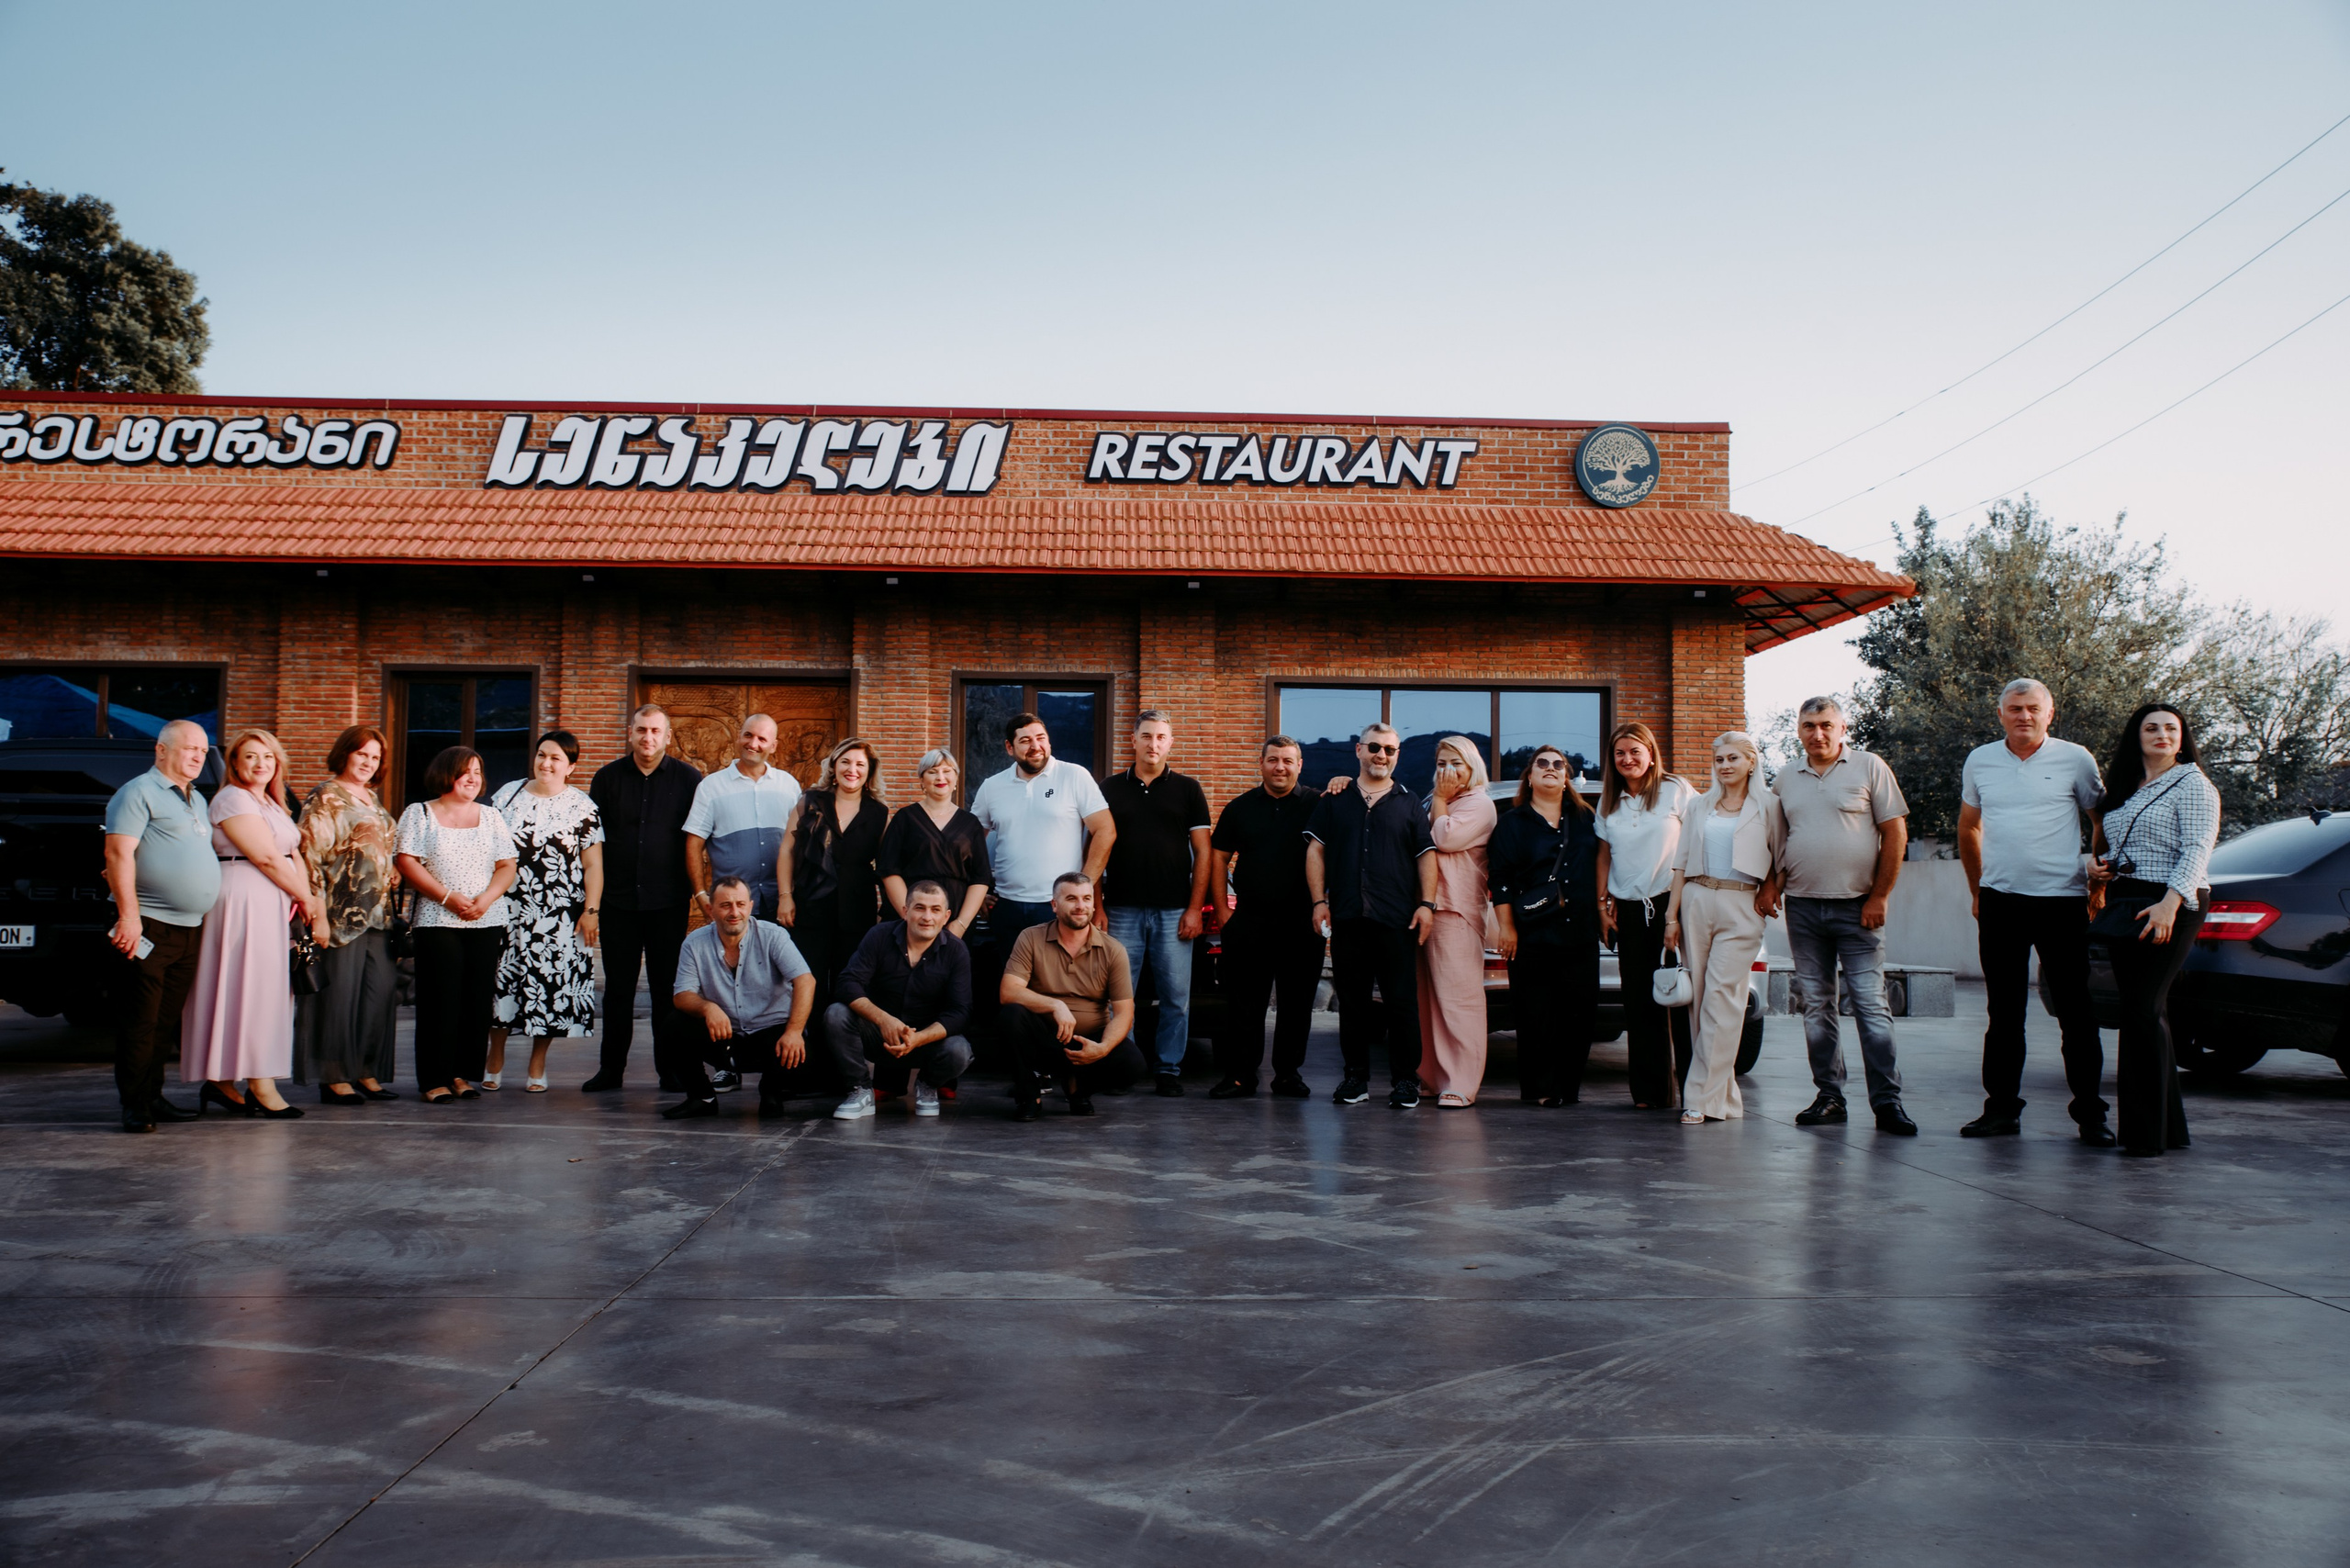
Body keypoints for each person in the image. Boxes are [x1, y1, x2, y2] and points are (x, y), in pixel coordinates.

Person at [1956, 679, 2109, 1141]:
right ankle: (2001, 1110)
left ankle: (2091, 1116)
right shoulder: (1980, 759)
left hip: (2063, 901)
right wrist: (1978, 889)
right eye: (2015, 709)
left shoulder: (2076, 759)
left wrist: (2096, 884)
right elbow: (1968, 827)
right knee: (2004, 1012)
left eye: (2033, 709)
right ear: (2000, 713)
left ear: (2050, 713)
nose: (2024, 716)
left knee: (2076, 1012)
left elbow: (2100, 818)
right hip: (2002, 902)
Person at [1772, 697, 1915, 1136]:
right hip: (1802, 907)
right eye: (1809, 725)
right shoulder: (1784, 778)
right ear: (1798, 729)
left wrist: (1880, 896)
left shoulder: (1870, 767)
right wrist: (1771, 887)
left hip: (1859, 908)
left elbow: (1895, 832)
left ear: (1843, 728)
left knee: (1871, 1006)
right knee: (1817, 1007)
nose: (1818, 734)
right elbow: (1778, 840)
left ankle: (1888, 1103)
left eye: (1827, 725)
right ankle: (1830, 1097)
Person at [2089, 702, 2221, 1159]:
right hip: (2128, 899)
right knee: (2145, 1012)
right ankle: (2168, 1129)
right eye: (2152, 728)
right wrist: (2100, 868)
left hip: (2172, 900)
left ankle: (2145, 1136)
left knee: (2142, 1010)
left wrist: (2171, 902)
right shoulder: (2129, 787)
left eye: (2171, 728)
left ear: (2182, 738)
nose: (2162, 734)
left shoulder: (2194, 784)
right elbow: (2119, 840)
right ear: (2137, 736)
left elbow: (2198, 848)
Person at [178, 729, 319, 1121]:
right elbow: (266, 858)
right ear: (235, 763)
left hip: (274, 900)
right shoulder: (233, 799)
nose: (260, 764)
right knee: (248, 989)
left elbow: (292, 854)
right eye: (251, 756)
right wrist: (307, 899)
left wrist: (306, 899)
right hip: (243, 899)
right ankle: (260, 1084)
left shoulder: (273, 802)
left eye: (268, 757)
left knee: (264, 991)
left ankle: (225, 1083)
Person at [1304, 722, 1438, 1108]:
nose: (1382, 755)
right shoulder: (1335, 798)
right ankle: (1355, 1079)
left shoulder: (1410, 803)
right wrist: (1319, 901)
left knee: (1401, 1004)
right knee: (1354, 1003)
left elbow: (1426, 856)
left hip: (1397, 920)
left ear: (1397, 756)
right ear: (1359, 751)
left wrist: (1426, 905)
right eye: (1375, 748)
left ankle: (1405, 1081)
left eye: (1390, 750)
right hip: (1348, 918)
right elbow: (1315, 851)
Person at [103, 721, 222, 1133]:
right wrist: (129, 917)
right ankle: (134, 1105)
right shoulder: (137, 793)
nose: (196, 756)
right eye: (188, 748)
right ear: (161, 750)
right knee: (141, 1021)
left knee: (166, 1021)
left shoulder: (196, 798)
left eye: (203, 751)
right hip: (149, 925)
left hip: (189, 928)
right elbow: (119, 855)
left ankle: (154, 1096)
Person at [1663, 733, 1785, 1125]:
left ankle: (1697, 1097)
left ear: (1751, 762)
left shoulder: (1770, 805)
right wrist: (1671, 917)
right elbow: (1680, 864)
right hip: (1697, 899)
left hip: (1742, 903)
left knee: (1722, 999)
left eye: (1734, 758)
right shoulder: (1699, 806)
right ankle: (1722, 1099)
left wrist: (1771, 892)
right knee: (1699, 1001)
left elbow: (1782, 860)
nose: (1725, 765)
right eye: (1719, 759)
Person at [584, 704, 702, 1092]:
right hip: (618, 902)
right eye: (641, 730)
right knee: (618, 990)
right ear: (630, 733)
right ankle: (611, 1071)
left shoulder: (689, 780)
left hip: (668, 901)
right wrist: (593, 904)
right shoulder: (606, 779)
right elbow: (594, 845)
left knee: (667, 991)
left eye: (655, 731)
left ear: (667, 736)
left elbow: (696, 839)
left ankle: (669, 1071)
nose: (648, 738)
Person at [395, 745, 519, 1103]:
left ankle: (461, 1075)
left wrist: (486, 899)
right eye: (465, 771)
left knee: (475, 1001)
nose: (473, 778)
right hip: (437, 920)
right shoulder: (419, 813)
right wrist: (447, 897)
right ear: (446, 774)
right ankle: (434, 1079)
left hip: (485, 919)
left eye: (478, 772)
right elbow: (407, 861)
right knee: (439, 999)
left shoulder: (492, 816)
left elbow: (507, 865)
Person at [1100, 710, 1213, 1095]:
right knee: (1120, 996)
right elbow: (1094, 848)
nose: (1153, 744)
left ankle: (1168, 1070)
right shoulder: (1110, 788)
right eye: (1146, 736)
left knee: (1175, 998)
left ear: (1170, 742)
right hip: (1120, 909)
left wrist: (1195, 908)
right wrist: (1098, 905)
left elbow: (1204, 854)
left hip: (1173, 911)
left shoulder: (1188, 789)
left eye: (1161, 737)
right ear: (1133, 740)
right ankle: (1122, 1066)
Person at [486, 731, 605, 1092]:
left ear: (571, 767)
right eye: (541, 755)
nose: (546, 763)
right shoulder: (507, 796)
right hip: (506, 907)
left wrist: (592, 910)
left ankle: (538, 1063)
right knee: (500, 982)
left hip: (559, 914)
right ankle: (495, 1055)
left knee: (550, 987)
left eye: (556, 758)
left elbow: (593, 866)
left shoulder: (582, 807)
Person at [1205, 735, 1323, 1099]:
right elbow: (1218, 857)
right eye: (1273, 760)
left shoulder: (1318, 804)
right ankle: (1241, 1076)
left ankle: (1288, 1075)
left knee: (1297, 1004)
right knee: (1244, 1003)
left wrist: (1345, 782)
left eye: (1288, 761)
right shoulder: (1240, 808)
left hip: (1302, 922)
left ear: (1299, 765)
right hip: (1249, 921)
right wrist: (1224, 912)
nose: (1280, 767)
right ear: (1261, 763)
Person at [294, 724, 402, 1104]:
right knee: (338, 997)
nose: (368, 763)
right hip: (339, 915)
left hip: (378, 915)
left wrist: (390, 868)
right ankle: (335, 1076)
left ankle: (366, 1070)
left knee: (379, 994)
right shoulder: (326, 797)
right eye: (362, 754)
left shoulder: (372, 799)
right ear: (345, 754)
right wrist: (316, 913)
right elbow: (310, 856)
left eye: (375, 758)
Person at [1491, 745, 1602, 1107]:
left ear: (1566, 775)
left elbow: (1607, 864)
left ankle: (1567, 1090)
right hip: (1532, 934)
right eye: (1543, 764)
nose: (1551, 769)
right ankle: (1539, 1089)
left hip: (1580, 933)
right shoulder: (1512, 822)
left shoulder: (1586, 818)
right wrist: (1506, 928)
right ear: (1531, 775)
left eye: (1559, 764)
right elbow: (1501, 879)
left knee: (1579, 1015)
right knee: (1535, 1015)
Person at [1595, 722, 1695, 1110]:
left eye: (1635, 751)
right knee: (1639, 1002)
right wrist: (1601, 906)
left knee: (1682, 999)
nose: (1627, 759)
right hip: (1630, 912)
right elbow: (1603, 855)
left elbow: (1695, 841)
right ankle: (1650, 1093)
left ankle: (1694, 1091)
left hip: (1675, 906)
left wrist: (1683, 908)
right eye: (1620, 753)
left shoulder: (1676, 790)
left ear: (1651, 754)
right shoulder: (1609, 802)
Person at [665, 876, 823, 1119]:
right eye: (725, 905)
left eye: (740, 904)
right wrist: (708, 1008)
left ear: (750, 906)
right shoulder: (694, 943)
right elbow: (682, 994)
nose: (734, 912)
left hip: (771, 1032)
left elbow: (805, 980)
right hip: (725, 1033)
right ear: (710, 909)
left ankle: (772, 1092)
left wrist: (794, 1031)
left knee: (805, 1057)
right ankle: (702, 1097)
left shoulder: (773, 935)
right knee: (674, 1025)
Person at [823, 879, 974, 1120]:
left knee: (959, 1051)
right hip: (880, 1036)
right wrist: (884, 1020)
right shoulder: (880, 935)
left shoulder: (956, 951)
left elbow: (960, 1012)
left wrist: (919, 1038)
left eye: (935, 910)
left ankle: (927, 1085)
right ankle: (861, 1090)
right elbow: (847, 983)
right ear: (905, 911)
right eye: (919, 908)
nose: (927, 917)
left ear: (946, 917)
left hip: (926, 1043)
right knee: (836, 1014)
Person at [998, 872, 1143, 1119]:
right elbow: (1008, 992)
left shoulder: (1113, 950)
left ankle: (1079, 1089)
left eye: (1087, 898)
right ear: (1054, 905)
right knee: (1011, 1015)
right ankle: (1029, 1094)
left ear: (1094, 904)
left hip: (1088, 1040)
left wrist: (1103, 1048)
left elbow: (1124, 1013)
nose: (1080, 906)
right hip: (1043, 1038)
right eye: (1071, 899)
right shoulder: (1031, 937)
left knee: (1133, 1065)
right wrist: (1055, 1004)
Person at [968, 711, 1113, 936]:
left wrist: (1083, 890)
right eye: (1025, 741)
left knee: (1060, 972)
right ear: (1010, 747)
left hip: (1059, 906)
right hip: (1006, 906)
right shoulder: (992, 787)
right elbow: (972, 841)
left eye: (1040, 738)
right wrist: (978, 891)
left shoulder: (1074, 776)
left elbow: (1105, 830)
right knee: (1011, 972)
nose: (1035, 746)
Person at [778, 736, 889, 1026]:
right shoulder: (809, 801)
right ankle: (807, 1056)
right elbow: (787, 850)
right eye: (846, 762)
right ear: (834, 766)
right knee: (807, 980)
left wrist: (886, 911)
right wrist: (785, 896)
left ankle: (840, 1059)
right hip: (809, 906)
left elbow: (886, 866)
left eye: (860, 765)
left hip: (857, 910)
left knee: (848, 983)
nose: (852, 769)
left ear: (869, 772)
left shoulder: (879, 813)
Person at [1416, 736, 1497, 1107]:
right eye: (1442, 763)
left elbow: (1443, 838)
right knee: (1428, 1001)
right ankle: (1432, 1077)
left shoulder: (1479, 804)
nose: (1447, 771)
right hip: (1427, 909)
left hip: (1457, 910)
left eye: (1456, 764)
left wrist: (1441, 799)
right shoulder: (1441, 802)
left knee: (1458, 1000)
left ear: (1472, 767)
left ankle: (1462, 1083)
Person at [684, 712, 803, 922]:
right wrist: (701, 895)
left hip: (780, 903)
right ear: (739, 737)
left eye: (762, 739)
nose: (753, 743)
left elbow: (800, 842)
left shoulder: (789, 785)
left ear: (773, 746)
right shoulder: (711, 787)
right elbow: (694, 844)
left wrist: (792, 895)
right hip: (731, 906)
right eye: (748, 735)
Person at [878, 748, 990, 938]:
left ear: (955, 779)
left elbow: (980, 878)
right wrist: (909, 916)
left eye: (947, 771)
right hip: (909, 916)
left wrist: (960, 925)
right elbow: (889, 871)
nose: (940, 777)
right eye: (932, 771)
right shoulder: (905, 818)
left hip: (954, 918)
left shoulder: (971, 824)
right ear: (922, 780)